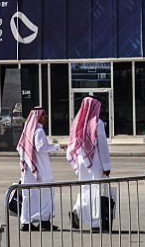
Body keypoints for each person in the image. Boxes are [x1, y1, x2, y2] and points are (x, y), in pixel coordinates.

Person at [66, 97, 112, 230]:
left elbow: (73, 144)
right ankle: (95, 222)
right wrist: (107, 166)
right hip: (95, 160)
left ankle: (77, 210)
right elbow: (102, 146)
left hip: (82, 160)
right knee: (95, 189)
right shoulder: (97, 123)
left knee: (85, 188)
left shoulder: (79, 122)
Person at [17, 107, 63, 231]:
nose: (45, 117)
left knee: (29, 196)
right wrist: (57, 146)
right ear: (38, 116)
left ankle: (26, 222)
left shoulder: (29, 131)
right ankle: (44, 221)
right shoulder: (38, 131)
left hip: (29, 169)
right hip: (39, 169)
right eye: (43, 115)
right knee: (46, 194)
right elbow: (41, 147)